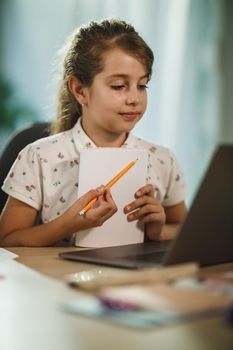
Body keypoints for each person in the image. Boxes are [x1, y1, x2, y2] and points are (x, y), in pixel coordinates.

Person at [0, 19, 187, 247]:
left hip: (134, 280)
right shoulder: (39, 157)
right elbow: (6, 240)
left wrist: (158, 232)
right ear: (80, 90)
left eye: (142, 85)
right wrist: (68, 225)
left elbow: (183, 229)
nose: (134, 99)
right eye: (119, 86)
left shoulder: (162, 159)